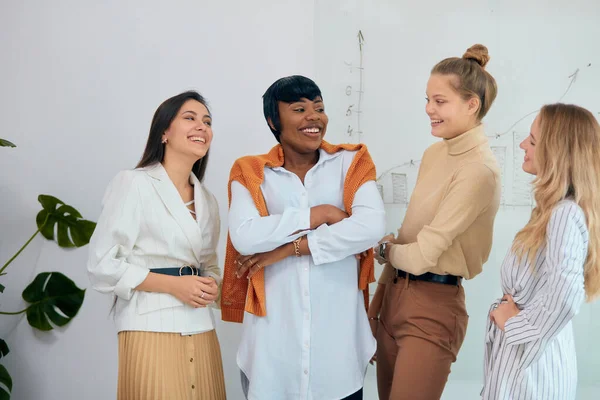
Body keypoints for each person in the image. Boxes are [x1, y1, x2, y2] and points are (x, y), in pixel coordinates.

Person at [220, 75, 386, 400]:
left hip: (338, 361)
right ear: (273, 120)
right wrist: (320, 214)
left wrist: (290, 249)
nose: (314, 117)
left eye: (319, 108)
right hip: (271, 359)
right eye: (299, 108)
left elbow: (371, 226)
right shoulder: (250, 171)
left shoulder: (351, 163)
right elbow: (245, 237)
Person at [369, 44, 501, 400]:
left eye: (440, 101)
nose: (429, 109)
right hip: (394, 296)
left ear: (471, 104)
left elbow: (422, 254)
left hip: (433, 305)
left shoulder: (478, 170)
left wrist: (383, 249)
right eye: (427, 99)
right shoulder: (434, 153)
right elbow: (408, 236)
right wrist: (375, 307)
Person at [87, 91, 226, 400]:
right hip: (149, 324)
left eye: (207, 122)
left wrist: (212, 285)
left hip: (201, 326)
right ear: (164, 132)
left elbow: (211, 265)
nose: (201, 127)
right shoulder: (133, 183)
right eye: (189, 118)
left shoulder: (209, 201)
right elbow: (102, 264)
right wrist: (174, 285)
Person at [482, 103, 600, 399]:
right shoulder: (552, 212)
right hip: (528, 364)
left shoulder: (564, 214)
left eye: (532, 141)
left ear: (556, 153)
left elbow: (565, 296)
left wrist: (514, 324)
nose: (523, 144)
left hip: (533, 373)